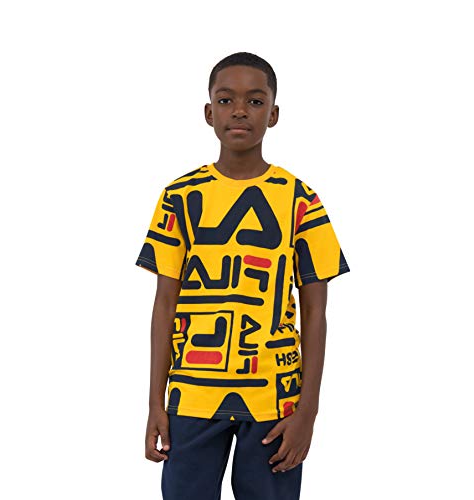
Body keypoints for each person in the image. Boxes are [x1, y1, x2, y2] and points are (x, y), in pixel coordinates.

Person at [135, 51, 350, 500]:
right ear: (208, 112)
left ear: (273, 114)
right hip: (192, 395)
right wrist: (156, 402)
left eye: (254, 101)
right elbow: (164, 303)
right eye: (226, 99)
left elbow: (315, 312)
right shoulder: (179, 197)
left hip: (274, 399)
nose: (239, 111)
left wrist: (308, 410)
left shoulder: (301, 200)